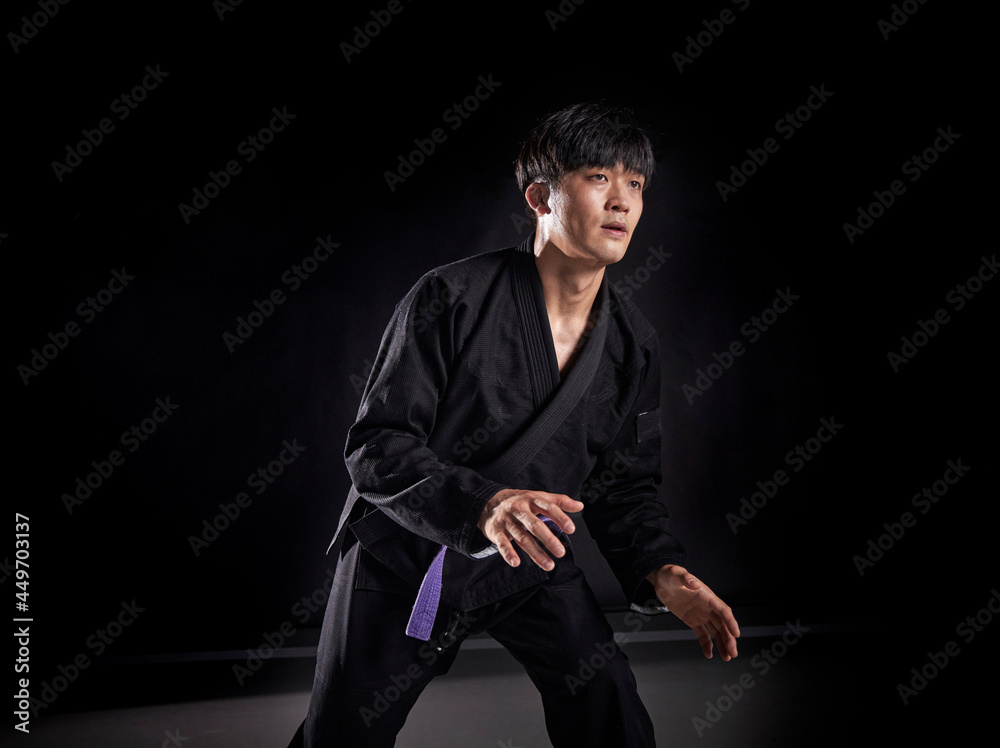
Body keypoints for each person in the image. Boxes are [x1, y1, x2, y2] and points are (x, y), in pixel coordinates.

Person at [288, 101, 740, 747]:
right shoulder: (452, 298)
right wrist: (484, 504)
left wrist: (663, 572)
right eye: (598, 177)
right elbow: (377, 445)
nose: (622, 200)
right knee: (341, 735)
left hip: (527, 561)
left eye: (635, 183)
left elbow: (624, 486)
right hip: (408, 559)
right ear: (539, 196)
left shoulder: (632, 346)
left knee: (607, 700)